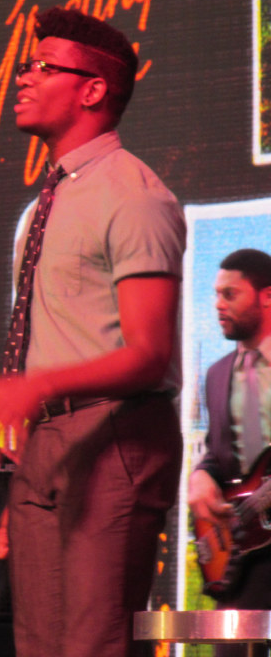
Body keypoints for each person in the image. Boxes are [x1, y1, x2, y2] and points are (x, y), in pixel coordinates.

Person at [0, 7, 186, 657]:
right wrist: (26, 466)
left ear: (92, 89)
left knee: (93, 645)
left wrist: (36, 386)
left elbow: (148, 355)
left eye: (42, 67)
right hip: (48, 448)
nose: (22, 79)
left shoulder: (134, 195)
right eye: (26, 65)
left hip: (114, 436)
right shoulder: (43, 204)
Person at [188, 248, 271, 657]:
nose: (218, 304)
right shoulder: (217, 373)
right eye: (216, 294)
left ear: (267, 296)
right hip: (241, 554)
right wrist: (199, 476)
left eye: (230, 294)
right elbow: (218, 456)